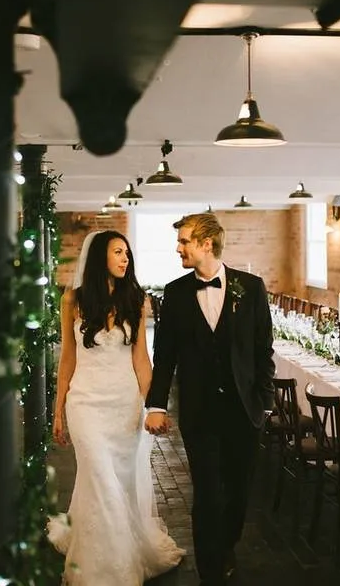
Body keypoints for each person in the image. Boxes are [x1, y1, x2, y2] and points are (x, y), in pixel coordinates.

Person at [144, 213, 275, 585]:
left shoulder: (251, 287)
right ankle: (210, 571)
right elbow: (164, 355)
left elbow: (263, 349)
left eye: (184, 241)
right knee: (206, 493)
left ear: (207, 243)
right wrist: (156, 405)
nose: (178, 248)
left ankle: (226, 545)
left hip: (243, 410)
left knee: (237, 490)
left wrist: (265, 402)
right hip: (199, 412)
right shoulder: (176, 293)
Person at [48, 230, 185, 585]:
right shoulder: (72, 300)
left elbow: (141, 359)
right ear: (100, 257)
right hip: (85, 403)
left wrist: (154, 406)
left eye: (127, 253)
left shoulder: (135, 300)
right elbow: (67, 358)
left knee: (119, 481)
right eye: (118, 252)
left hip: (125, 404)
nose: (125, 259)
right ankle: (104, 569)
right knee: (99, 476)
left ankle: (121, 551)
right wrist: (58, 410)